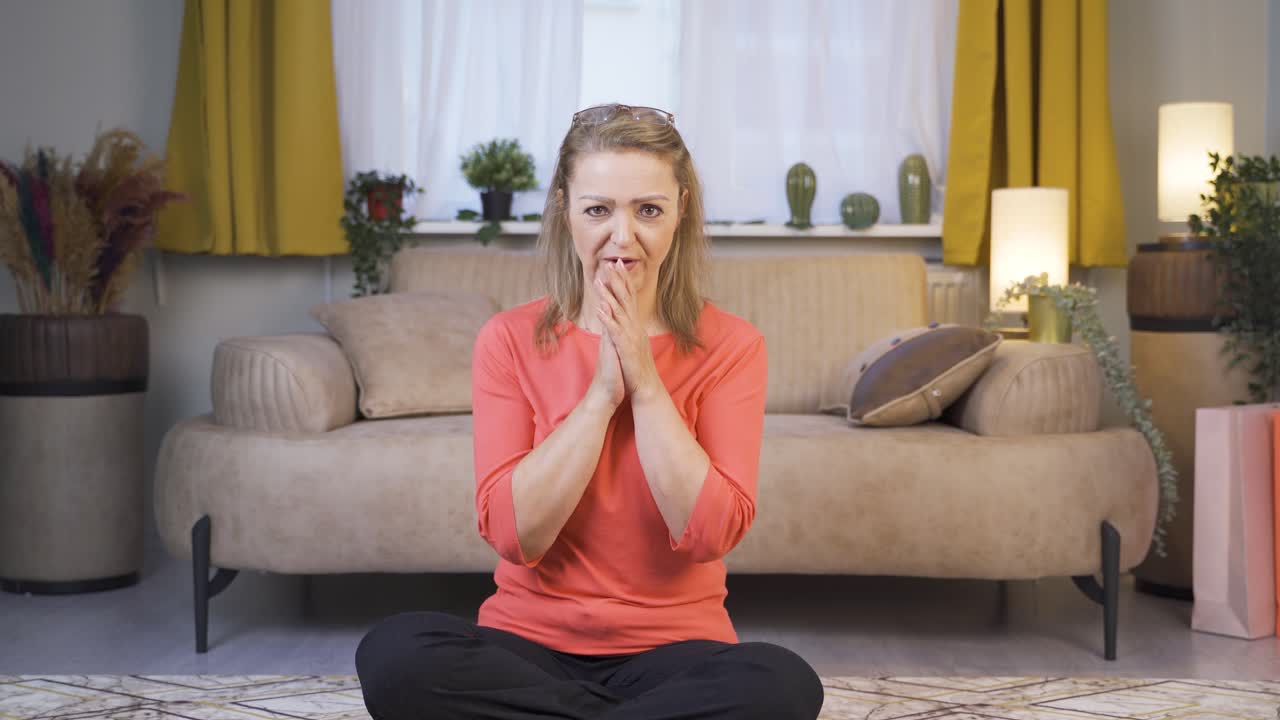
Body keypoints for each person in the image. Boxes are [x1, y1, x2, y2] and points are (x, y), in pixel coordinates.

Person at [355, 103, 824, 720]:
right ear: (563, 208)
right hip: (526, 648)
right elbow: (513, 536)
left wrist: (646, 381)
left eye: (648, 210)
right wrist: (602, 396)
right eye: (598, 209)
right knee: (395, 653)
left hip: (677, 652)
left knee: (783, 684)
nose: (622, 237)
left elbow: (711, 534)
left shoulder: (733, 345)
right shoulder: (508, 338)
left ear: (680, 210)